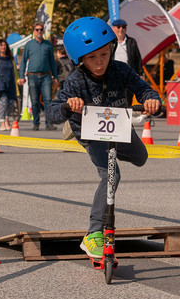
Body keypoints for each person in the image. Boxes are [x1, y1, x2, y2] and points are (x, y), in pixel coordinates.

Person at [46, 17, 161, 259]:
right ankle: (94, 234)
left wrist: (151, 99)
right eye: (92, 58)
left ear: (111, 50)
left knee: (141, 157)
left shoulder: (121, 70)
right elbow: (51, 112)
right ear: (80, 59)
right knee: (111, 174)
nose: (99, 62)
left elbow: (143, 89)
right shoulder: (75, 82)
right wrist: (67, 107)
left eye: (104, 54)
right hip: (90, 131)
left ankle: (114, 151)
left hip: (117, 125)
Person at [18, 21, 58, 131]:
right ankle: (36, 123)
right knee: (34, 101)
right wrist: (21, 76)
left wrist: (55, 77)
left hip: (46, 76)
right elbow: (23, 61)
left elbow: (52, 62)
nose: (39, 31)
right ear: (34, 31)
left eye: (41, 29)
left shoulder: (47, 44)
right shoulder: (29, 45)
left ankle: (49, 123)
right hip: (32, 76)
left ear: (43, 31)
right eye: (37, 29)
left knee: (48, 100)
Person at [0, 39, 19, 131]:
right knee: (3, 102)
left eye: (4, 45)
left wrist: (18, 80)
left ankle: (7, 119)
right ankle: (2, 123)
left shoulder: (10, 59)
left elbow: (15, 72)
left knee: (10, 104)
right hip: (1, 84)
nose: (3, 47)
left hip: (10, 84)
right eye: (1, 45)